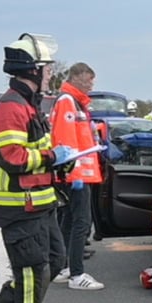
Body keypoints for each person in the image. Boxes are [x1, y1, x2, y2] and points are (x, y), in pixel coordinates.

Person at [0, 32, 72, 303]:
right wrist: (50, 158)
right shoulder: (11, 106)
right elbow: (11, 157)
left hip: (40, 203)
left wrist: (59, 160)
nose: (49, 72)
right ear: (31, 70)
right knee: (34, 272)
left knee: (54, 263)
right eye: (46, 67)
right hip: (20, 208)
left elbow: (33, 149)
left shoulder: (28, 104)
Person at [49, 61, 105, 290]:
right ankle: (76, 274)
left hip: (77, 173)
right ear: (78, 76)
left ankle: (64, 267)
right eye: (90, 79)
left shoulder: (76, 103)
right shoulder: (68, 102)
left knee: (70, 221)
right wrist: (73, 171)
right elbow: (65, 140)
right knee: (81, 222)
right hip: (76, 174)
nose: (92, 84)